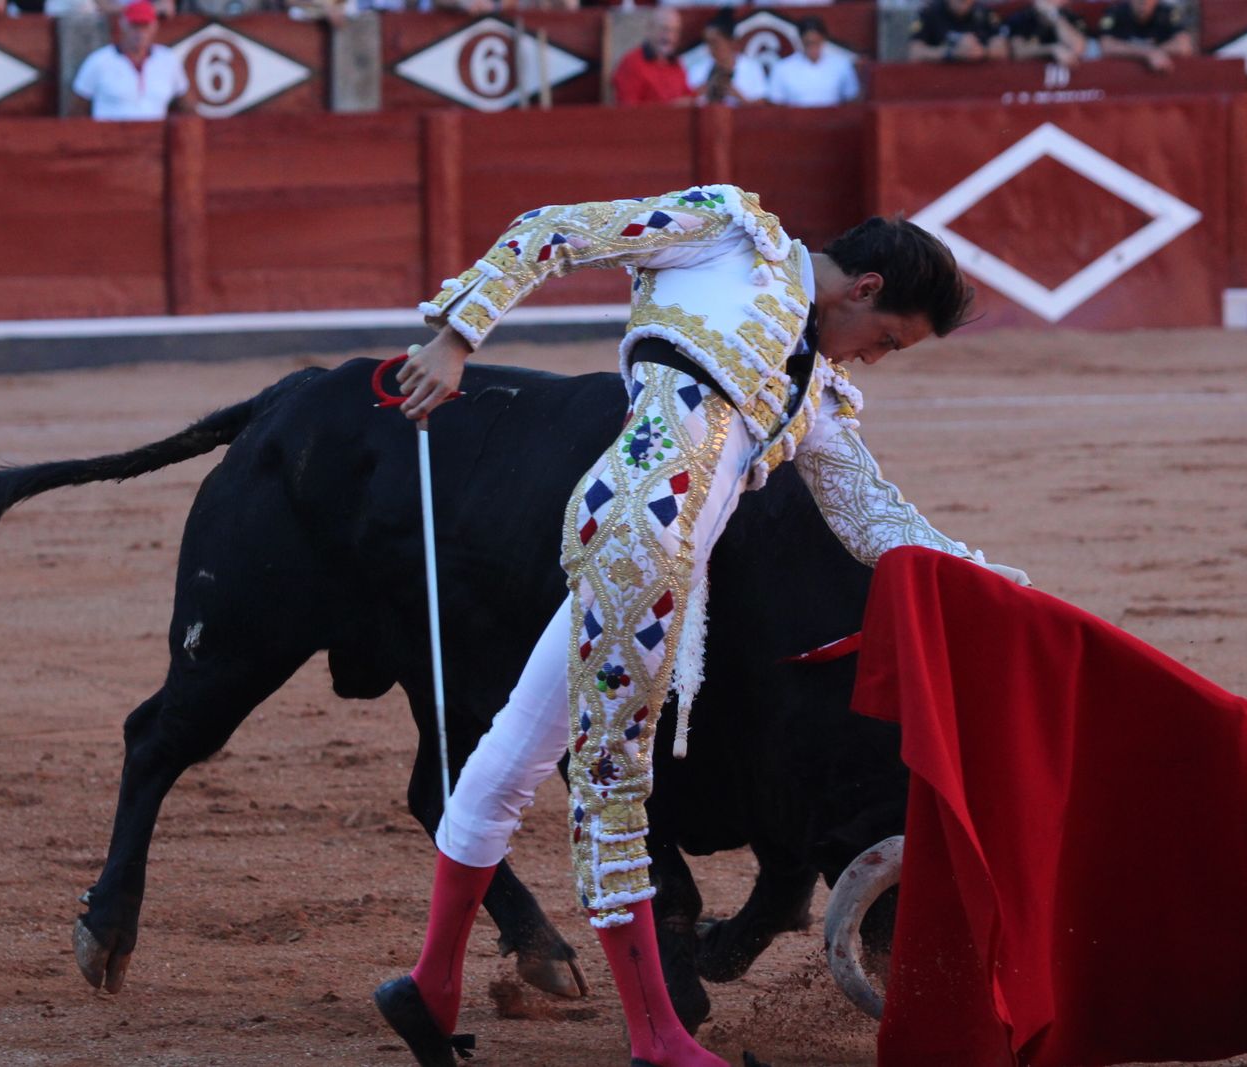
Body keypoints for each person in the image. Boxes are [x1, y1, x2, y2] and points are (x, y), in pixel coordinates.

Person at [372, 186, 1030, 1067]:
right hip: (635, 551)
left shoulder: (814, 386)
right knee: (613, 791)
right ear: (864, 287)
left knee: (507, 762)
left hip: (664, 579)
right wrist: (455, 339)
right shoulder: (728, 238)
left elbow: (873, 516)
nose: (875, 358)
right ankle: (658, 1039)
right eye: (888, 340)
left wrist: (989, 580)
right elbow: (554, 232)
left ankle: (429, 986)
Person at [70, 0, 194, 121]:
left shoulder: (168, 60)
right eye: (135, 26)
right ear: (123, 25)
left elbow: (187, 107)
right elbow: (76, 112)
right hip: (109, 138)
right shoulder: (98, 61)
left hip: (154, 138)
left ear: (154, 26)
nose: (140, 33)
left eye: (144, 26)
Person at [766, 16, 859, 107]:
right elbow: (776, 105)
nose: (813, 47)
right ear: (801, 40)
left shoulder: (841, 65)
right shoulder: (782, 68)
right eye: (808, 43)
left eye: (816, 42)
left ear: (823, 39)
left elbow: (851, 100)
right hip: (795, 121)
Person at [612, 7, 692, 107]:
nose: (670, 37)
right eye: (664, 29)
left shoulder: (677, 63)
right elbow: (628, 111)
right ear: (650, 29)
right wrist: (670, 109)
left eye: (675, 31)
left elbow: (688, 98)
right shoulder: (631, 63)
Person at [686, 8, 767, 107]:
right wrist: (700, 92)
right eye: (707, 43)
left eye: (715, 43)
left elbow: (761, 109)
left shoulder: (751, 69)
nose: (710, 49)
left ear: (731, 42)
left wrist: (737, 95)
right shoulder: (698, 70)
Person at [1098, 0, 1194, 73]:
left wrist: (1156, 52)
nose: (1144, 3)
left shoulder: (1168, 13)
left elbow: (1184, 45)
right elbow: (1106, 46)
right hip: (1122, 75)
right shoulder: (1115, 12)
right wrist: (1148, 53)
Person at [907, 0, 1007, 63]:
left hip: (980, 82)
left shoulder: (984, 13)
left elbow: (1002, 49)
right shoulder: (929, 13)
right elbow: (914, 53)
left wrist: (980, 52)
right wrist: (951, 53)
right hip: (939, 83)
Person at [1006, 0, 1089, 65]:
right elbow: (1018, 51)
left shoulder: (1069, 16)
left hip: (1069, 81)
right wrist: (1052, 49)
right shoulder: (1022, 17)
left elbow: (1078, 47)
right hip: (1027, 78)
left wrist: (1054, 16)